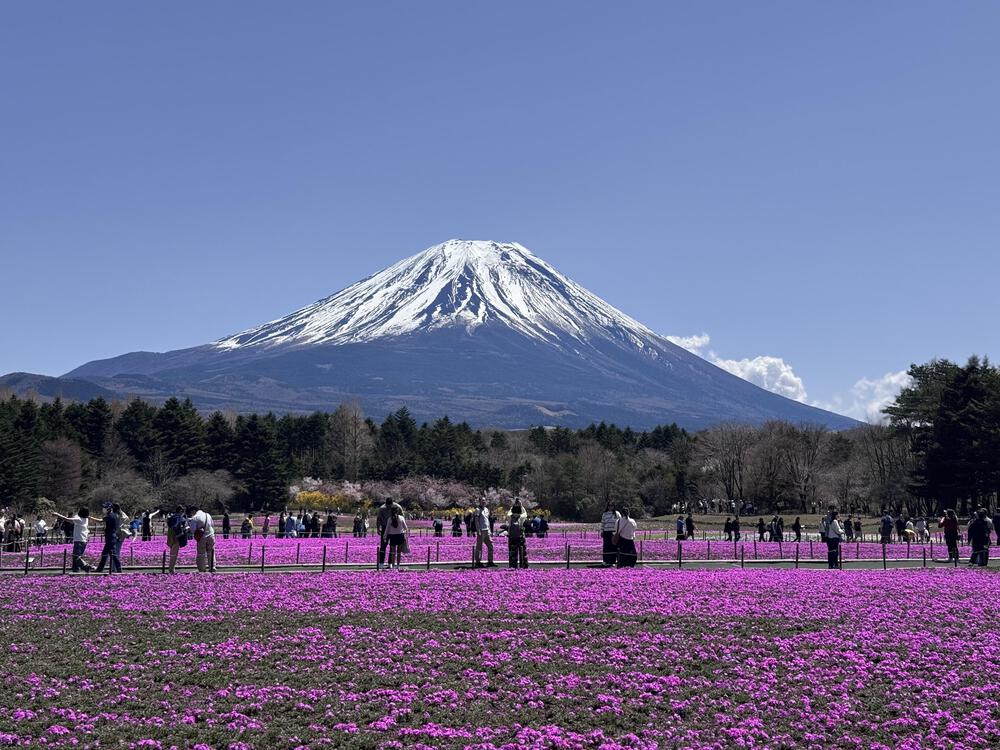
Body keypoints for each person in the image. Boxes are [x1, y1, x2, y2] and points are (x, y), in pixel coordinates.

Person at [54, 507, 93, 573]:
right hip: (84, 540)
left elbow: (67, 519)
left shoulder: (79, 519)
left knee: (76, 557)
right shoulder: (86, 519)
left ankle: (86, 566)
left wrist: (57, 514)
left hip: (79, 540)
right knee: (77, 556)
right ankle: (76, 569)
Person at [186, 505, 216, 573]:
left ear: (193, 511)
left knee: (201, 553)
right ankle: (212, 566)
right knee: (211, 552)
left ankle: (202, 568)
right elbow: (212, 525)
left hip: (202, 537)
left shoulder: (195, 518)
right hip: (211, 535)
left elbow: (193, 530)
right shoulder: (207, 515)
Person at [376, 498, 405, 569]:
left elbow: (402, 517)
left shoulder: (397, 507)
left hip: (393, 529)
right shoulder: (382, 508)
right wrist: (378, 528)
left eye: (390, 506)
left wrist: (400, 528)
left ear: (392, 504)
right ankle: (381, 563)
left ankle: (390, 563)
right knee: (383, 546)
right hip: (384, 527)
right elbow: (378, 519)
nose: (388, 507)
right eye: (387, 506)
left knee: (392, 547)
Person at [95, 502, 122, 573]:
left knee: (107, 553)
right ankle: (118, 568)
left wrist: (89, 517)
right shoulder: (115, 515)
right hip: (112, 536)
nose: (103, 509)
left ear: (109, 508)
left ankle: (100, 568)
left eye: (104, 508)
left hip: (110, 537)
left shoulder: (110, 515)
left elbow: (100, 521)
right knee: (112, 554)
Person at [165, 505, 189, 574]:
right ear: (181, 511)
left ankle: (172, 568)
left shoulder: (172, 517)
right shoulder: (179, 518)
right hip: (176, 537)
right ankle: (171, 569)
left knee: (172, 552)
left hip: (170, 536)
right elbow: (176, 526)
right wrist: (184, 529)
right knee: (174, 554)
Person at [473, 499, 496, 568]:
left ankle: (490, 561)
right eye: (482, 501)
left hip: (487, 530)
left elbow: (487, 520)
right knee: (479, 547)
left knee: (491, 546)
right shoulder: (477, 510)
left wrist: (489, 530)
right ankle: (478, 561)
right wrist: (478, 530)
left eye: (484, 501)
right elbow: (476, 521)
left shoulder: (486, 509)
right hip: (481, 530)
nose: (483, 502)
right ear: (479, 502)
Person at [506, 501, 528, 569]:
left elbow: (509, 513)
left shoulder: (509, 517)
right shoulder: (521, 517)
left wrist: (513, 506)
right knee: (523, 552)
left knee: (512, 553)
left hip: (512, 538)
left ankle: (513, 566)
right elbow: (525, 513)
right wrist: (521, 505)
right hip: (520, 537)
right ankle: (523, 565)